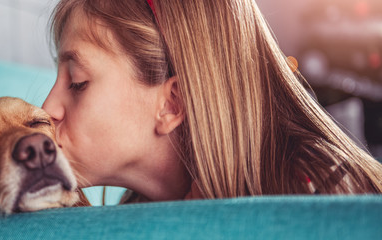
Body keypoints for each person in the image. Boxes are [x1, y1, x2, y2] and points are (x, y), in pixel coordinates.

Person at [41, 0, 382, 203]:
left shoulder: (315, 198)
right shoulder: (140, 214)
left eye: (77, 83)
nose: (46, 110)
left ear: (172, 104)